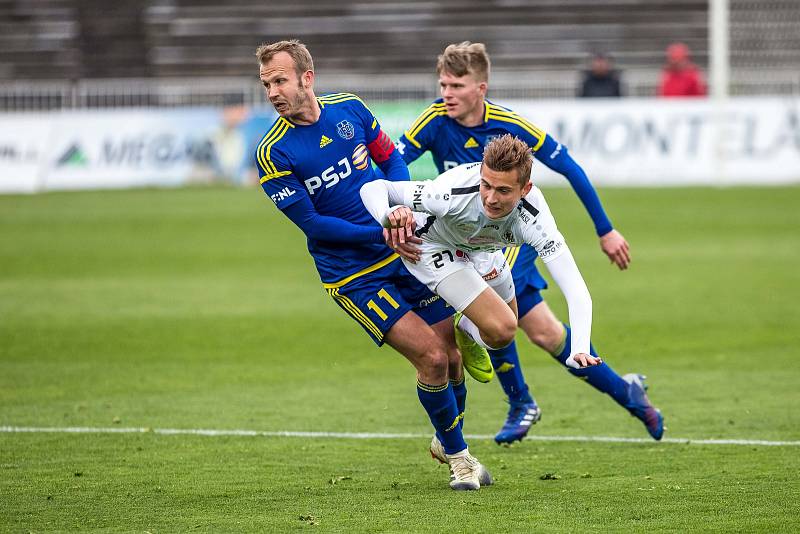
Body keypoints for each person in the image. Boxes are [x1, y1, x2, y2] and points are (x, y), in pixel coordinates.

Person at [390, 41, 663, 444]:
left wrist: (604, 229)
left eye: (456, 86)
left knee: (498, 310)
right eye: (443, 84)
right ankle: (629, 395)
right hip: (459, 231)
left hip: (505, 234)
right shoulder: (433, 119)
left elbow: (568, 165)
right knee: (547, 334)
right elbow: (394, 163)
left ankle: (520, 403)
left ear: (480, 88)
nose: (446, 94)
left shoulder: (508, 125)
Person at [253, 39, 495, 491]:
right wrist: (385, 231)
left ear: (308, 77)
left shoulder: (350, 108)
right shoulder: (274, 152)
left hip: (405, 249)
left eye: (280, 80)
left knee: (455, 358)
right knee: (433, 357)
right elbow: (313, 223)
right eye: (267, 83)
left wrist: (401, 205)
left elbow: (391, 158)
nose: (272, 91)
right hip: (353, 273)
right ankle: (461, 459)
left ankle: (446, 438)